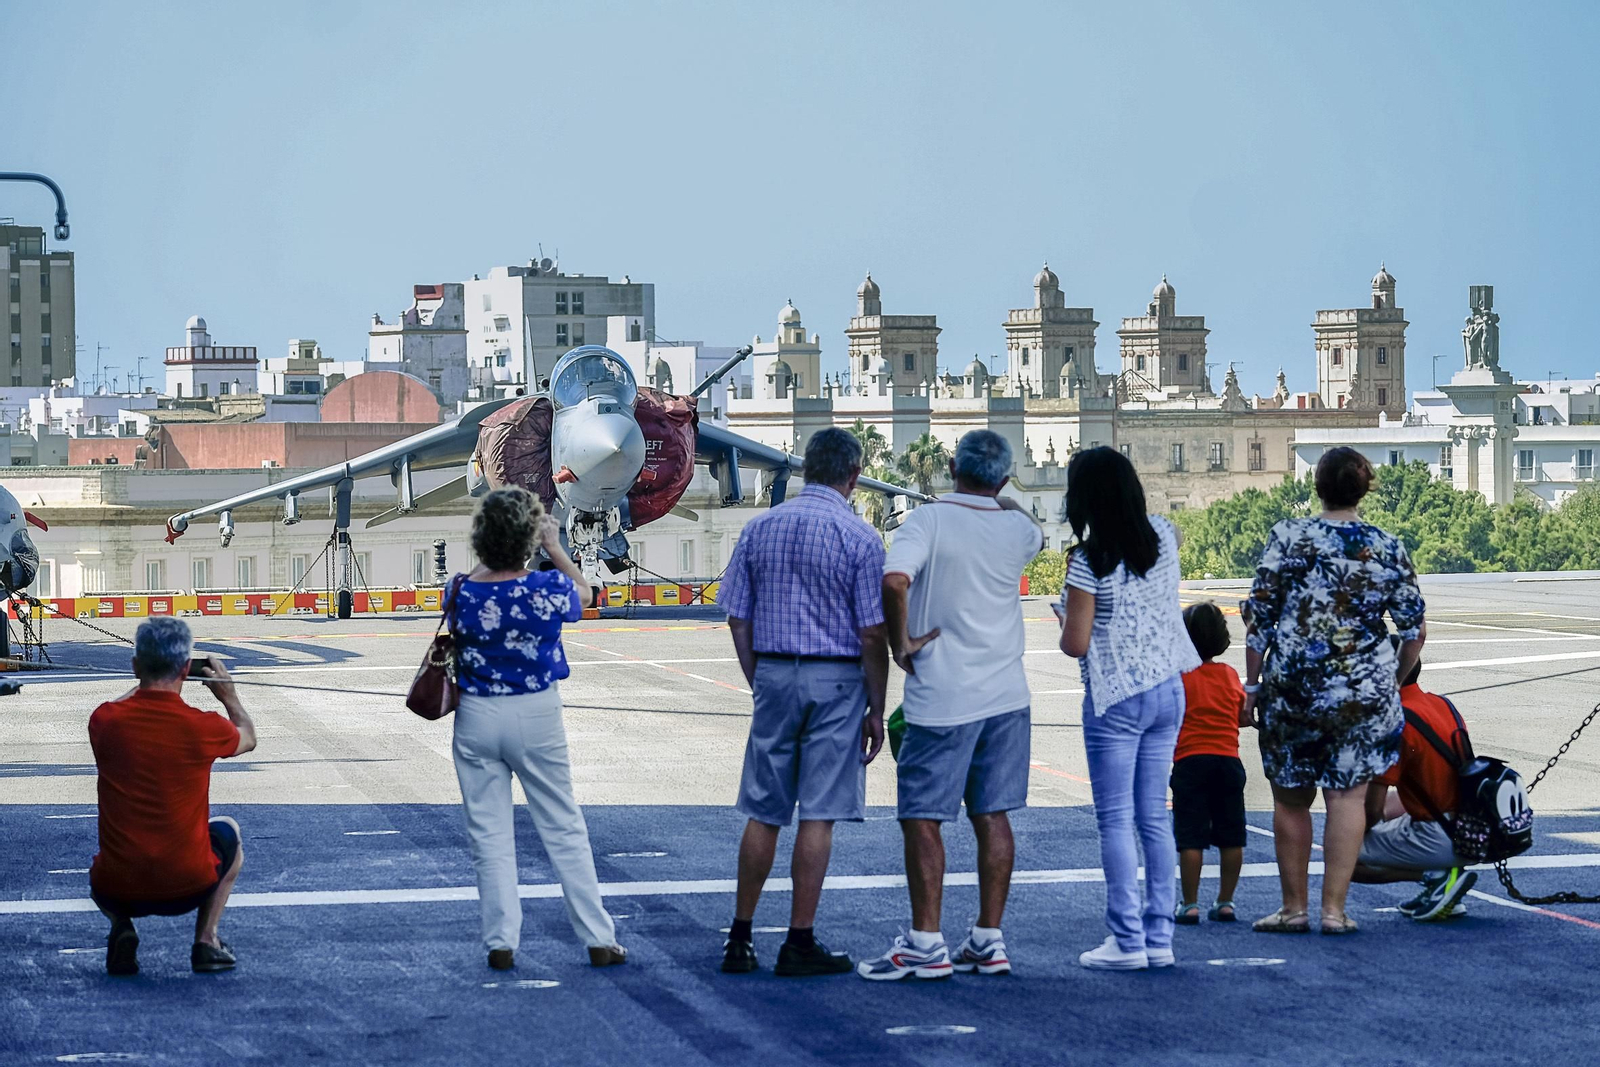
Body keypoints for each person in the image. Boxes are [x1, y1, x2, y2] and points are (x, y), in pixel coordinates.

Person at [857, 430, 1043, 981]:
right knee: (993, 815)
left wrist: (901, 643)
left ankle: (925, 941)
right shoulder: (1018, 528)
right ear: (1004, 478)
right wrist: (1000, 496)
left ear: (951, 471)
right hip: (1007, 695)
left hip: (943, 695)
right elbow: (1027, 522)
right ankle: (988, 938)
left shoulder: (929, 520)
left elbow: (895, 579)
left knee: (922, 818)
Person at [716, 426, 891, 977]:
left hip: (774, 673)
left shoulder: (759, 529)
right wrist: (877, 706)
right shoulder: (862, 539)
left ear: (807, 470)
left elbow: (737, 616)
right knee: (819, 811)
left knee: (764, 809)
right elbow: (871, 634)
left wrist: (758, 675)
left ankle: (740, 937)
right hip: (837, 682)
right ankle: (799, 939)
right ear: (853, 476)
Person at [1243, 446, 1426, 935]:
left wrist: (1252, 685)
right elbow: (1414, 631)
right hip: (1362, 692)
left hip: (1293, 689)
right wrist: (1393, 679)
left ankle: (1293, 908)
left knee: (1290, 800)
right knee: (1346, 799)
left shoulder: (1288, 536)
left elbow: (1259, 619)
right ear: (1364, 489)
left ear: (1317, 486)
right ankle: (1334, 911)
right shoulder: (1387, 546)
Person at [450, 486, 626, 971]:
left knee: (489, 833)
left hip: (478, 713)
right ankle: (597, 938)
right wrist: (554, 547)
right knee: (562, 825)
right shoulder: (545, 589)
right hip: (535, 711)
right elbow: (586, 596)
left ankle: (500, 941)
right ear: (528, 536)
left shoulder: (460, 588)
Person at [1058, 446, 1198, 971]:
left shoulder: (1085, 561)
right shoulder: (1163, 534)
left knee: (1114, 821)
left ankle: (1125, 939)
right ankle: (1159, 936)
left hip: (1117, 694)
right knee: (1153, 819)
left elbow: (1076, 643)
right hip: (1169, 688)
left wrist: (1065, 616)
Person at [88, 617, 256, 976]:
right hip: (186, 887)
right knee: (229, 833)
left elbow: (120, 704)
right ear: (185, 668)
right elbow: (248, 736)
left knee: (104, 861)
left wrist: (144, 681)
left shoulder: (103, 722)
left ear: (135, 667)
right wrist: (229, 694)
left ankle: (121, 926)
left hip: (116, 888)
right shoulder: (204, 727)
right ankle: (206, 942)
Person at [1352, 652, 1478, 921]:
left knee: (1343, 854)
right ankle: (1442, 882)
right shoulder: (1443, 704)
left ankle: (1436, 875)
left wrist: (1348, 832)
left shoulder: (1394, 723)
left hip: (1439, 836)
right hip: (1471, 826)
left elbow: (1372, 810)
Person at [1172, 602, 1248, 925]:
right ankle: (1225, 900)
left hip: (1190, 761)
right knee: (1231, 835)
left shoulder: (1179, 677)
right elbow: (1242, 715)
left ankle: (1190, 903)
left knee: (1191, 836)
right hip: (1228, 761)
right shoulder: (1229, 675)